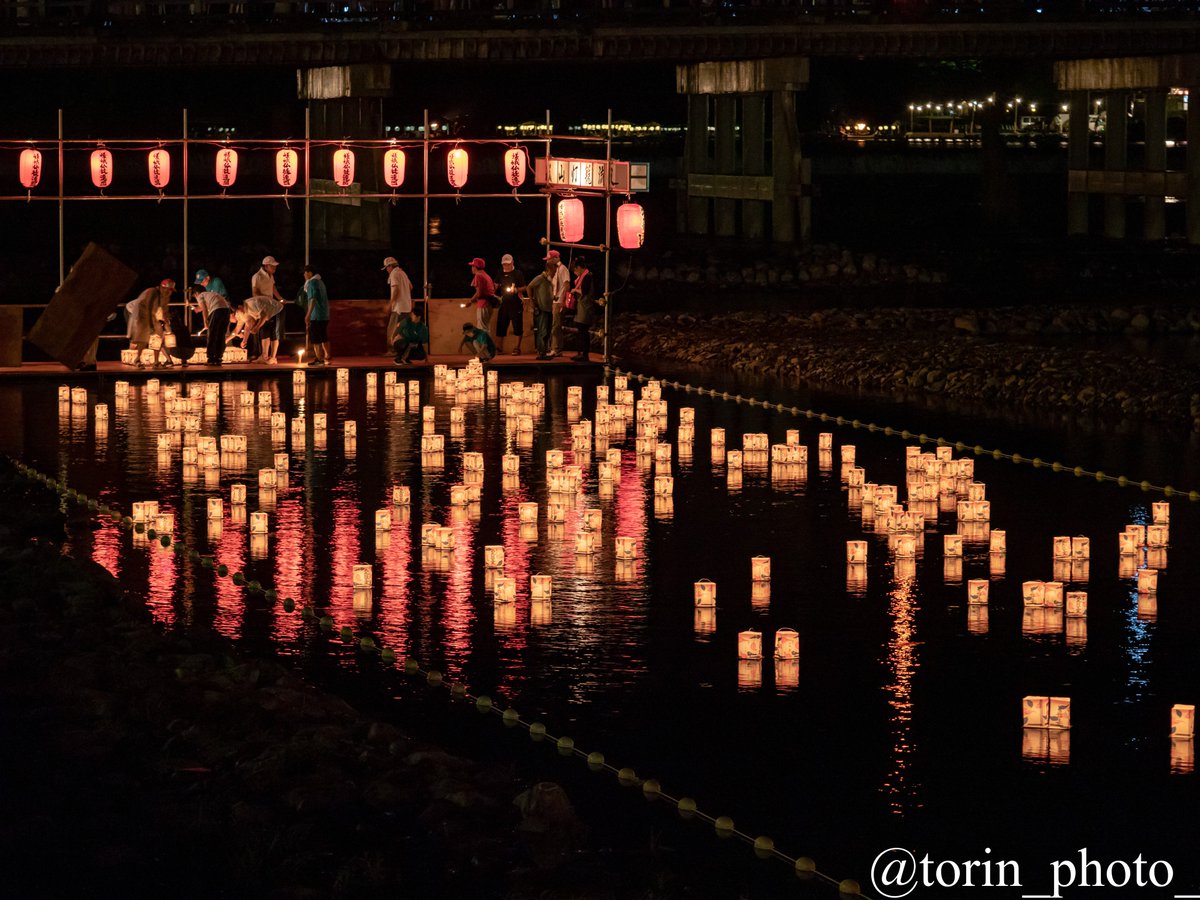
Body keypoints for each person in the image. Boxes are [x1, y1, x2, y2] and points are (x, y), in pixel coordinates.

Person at [126, 278, 175, 368]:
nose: (169, 292)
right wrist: (151, 325)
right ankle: (137, 359)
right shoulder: (153, 292)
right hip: (141, 313)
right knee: (143, 337)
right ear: (162, 288)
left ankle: (156, 362)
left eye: (171, 290)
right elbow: (148, 307)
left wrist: (167, 326)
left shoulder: (166, 296)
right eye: (168, 290)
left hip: (151, 314)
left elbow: (164, 311)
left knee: (158, 335)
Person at [251, 255, 287, 365]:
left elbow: (273, 287)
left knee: (274, 331)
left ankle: (272, 357)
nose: (275, 268)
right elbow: (255, 292)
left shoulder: (270, 275)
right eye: (273, 266)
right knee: (264, 330)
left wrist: (280, 298)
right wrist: (265, 299)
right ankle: (265, 356)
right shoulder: (257, 276)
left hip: (272, 306)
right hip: (263, 306)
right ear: (266, 266)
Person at [494, 252, 528, 356]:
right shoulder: (500, 273)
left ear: (512, 262)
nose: (506, 266)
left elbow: (525, 287)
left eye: (508, 264)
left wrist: (517, 290)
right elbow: (495, 285)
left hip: (516, 303)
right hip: (504, 303)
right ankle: (499, 348)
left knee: (517, 325)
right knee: (501, 325)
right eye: (504, 264)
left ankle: (517, 348)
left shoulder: (518, 273)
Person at [568, 256, 600, 362]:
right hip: (582, 307)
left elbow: (584, 292)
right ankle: (581, 353)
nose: (575, 273)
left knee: (583, 331)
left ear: (578, 267)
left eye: (575, 270)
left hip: (585, 307)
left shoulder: (587, 277)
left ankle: (584, 354)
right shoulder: (586, 276)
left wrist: (575, 290)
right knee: (581, 331)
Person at [191, 284, 231, 367]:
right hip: (226, 310)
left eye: (195, 296)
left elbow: (204, 309)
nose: (196, 298)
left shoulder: (200, 295)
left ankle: (211, 358)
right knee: (221, 335)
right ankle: (218, 358)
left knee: (212, 334)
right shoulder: (211, 294)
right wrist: (196, 309)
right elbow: (203, 307)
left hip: (217, 310)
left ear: (196, 293)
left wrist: (205, 321)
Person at [383, 255, 414, 354]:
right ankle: (402, 352)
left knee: (392, 331)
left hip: (398, 308)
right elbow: (410, 287)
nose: (387, 270)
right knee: (403, 331)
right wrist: (405, 296)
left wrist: (390, 304)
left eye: (387, 268)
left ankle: (393, 351)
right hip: (407, 307)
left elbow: (396, 290)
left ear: (389, 266)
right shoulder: (403, 273)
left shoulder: (394, 274)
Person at [527, 258, 556, 361]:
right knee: (542, 331)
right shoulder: (540, 278)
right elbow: (529, 286)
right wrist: (531, 300)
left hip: (548, 309)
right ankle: (541, 352)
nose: (554, 273)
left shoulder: (548, 281)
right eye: (553, 270)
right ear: (548, 269)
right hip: (542, 308)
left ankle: (545, 351)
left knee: (547, 331)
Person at [301, 263, 330, 367]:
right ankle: (327, 356)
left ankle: (319, 359)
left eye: (305, 272)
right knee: (323, 336)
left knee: (316, 338)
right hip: (324, 314)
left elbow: (312, 299)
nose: (304, 275)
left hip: (316, 315)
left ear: (310, 273)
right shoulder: (320, 282)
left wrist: (308, 314)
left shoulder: (312, 283)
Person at [544, 249, 571, 358]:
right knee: (554, 325)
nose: (548, 261)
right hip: (554, 300)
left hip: (559, 300)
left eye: (549, 259)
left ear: (556, 258)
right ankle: (555, 348)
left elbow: (566, 285)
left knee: (556, 325)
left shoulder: (563, 269)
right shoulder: (554, 269)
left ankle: (556, 349)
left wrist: (563, 301)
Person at [468, 257, 497, 336]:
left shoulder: (478, 275)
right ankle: (489, 347)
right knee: (486, 328)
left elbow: (479, 293)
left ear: (476, 267)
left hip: (483, 304)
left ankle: (485, 348)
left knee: (482, 330)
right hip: (489, 304)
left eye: (473, 266)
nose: (472, 268)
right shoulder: (486, 276)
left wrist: (470, 301)